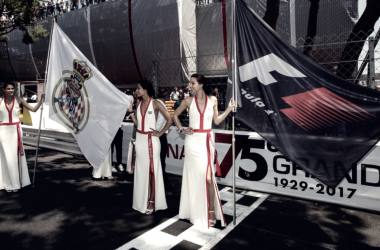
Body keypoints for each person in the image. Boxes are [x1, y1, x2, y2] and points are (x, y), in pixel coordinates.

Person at [173, 73, 235, 228]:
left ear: (200, 84)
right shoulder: (188, 101)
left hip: (206, 141)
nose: (190, 86)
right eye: (190, 83)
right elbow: (174, 115)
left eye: (192, 83)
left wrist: (228, 109)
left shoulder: (212, 100)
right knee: (194, 177)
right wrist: (182, 129)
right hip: (192, 142)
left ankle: (211, 210)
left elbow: (217, 121)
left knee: (208, 179)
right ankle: (194, 211)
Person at [130, 80, 172, 214]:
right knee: (141, 171)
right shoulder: (139, 104)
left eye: (139, 88)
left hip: (151, 141)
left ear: (146, 90)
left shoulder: (156, 103)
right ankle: (141, 200)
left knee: (153, 171)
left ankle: (153, 201)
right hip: (140, 140)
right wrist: (132, 114)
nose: (136, 91)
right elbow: (138, 125)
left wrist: (159, 133)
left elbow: (170, 119)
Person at [0, 83, 45, 192]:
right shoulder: (0, 100)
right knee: (5, 157)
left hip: (16, 131)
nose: (11, 90)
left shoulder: (19, 99)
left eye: (12, 88)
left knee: (15, 157)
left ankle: (15, 183)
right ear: (4, 90)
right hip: (3, 131)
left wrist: (40, 101)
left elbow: (33, 109)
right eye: (8, 89)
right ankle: (6, 183)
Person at [156, 90, 172, 190]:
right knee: (161, 160)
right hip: (159, 136)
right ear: (166, 96)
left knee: (159, 161)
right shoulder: (161, 105)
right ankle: (164, 183)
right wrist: (158, 133)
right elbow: (160, 122)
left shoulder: (154, 103)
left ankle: (162, 182)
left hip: (156, 134)